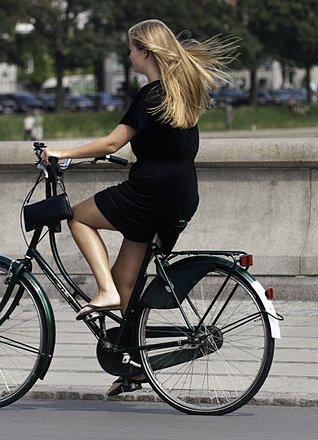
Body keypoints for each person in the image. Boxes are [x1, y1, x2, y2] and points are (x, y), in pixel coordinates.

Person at [41, 19, 233, 395]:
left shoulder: (150, 94)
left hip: (150, 193)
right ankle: (134, 365)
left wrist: (62, 152)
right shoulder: (182, 92)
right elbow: (169, 147)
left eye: (130, 49)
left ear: (145, 51)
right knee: (126, 278)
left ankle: (104, 293)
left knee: (77, 215)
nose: (127, 55)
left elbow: (112, 143)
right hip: (181, 195)